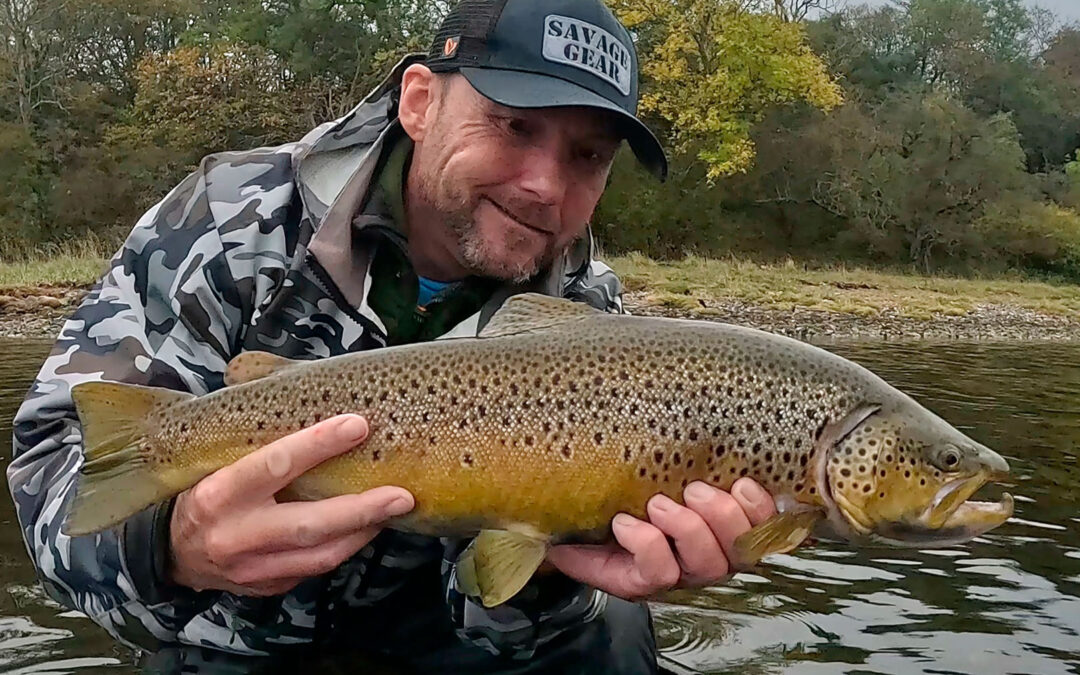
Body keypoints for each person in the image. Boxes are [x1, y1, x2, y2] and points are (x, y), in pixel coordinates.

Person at [7, 0, 777, 672]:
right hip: (231, 635)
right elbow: (53, 474)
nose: (546, 185)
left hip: (451, 642)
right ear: (418, 101)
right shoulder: (230, 220)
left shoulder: (588, 318)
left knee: (613, 631)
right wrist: (170, 547)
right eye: (513, 126)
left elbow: (498, 612)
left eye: (587, 156)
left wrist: (558, 567)